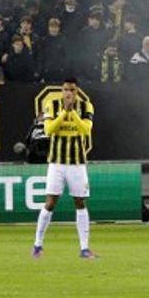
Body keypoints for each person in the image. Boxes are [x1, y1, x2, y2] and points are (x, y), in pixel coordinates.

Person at [32, 78, 97, 259]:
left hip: (77, 163)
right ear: (62, 91)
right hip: (57, 163)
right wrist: (64, 113)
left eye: (72, 90)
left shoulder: (86, 107)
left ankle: (84, 248)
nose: (69, 93)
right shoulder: (51, 105)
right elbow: (49, 130)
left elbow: (86, 130)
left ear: (77, 92)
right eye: (66, 89)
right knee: (50, 202)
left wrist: (72, 114)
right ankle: (38, 244)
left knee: (80, 202)